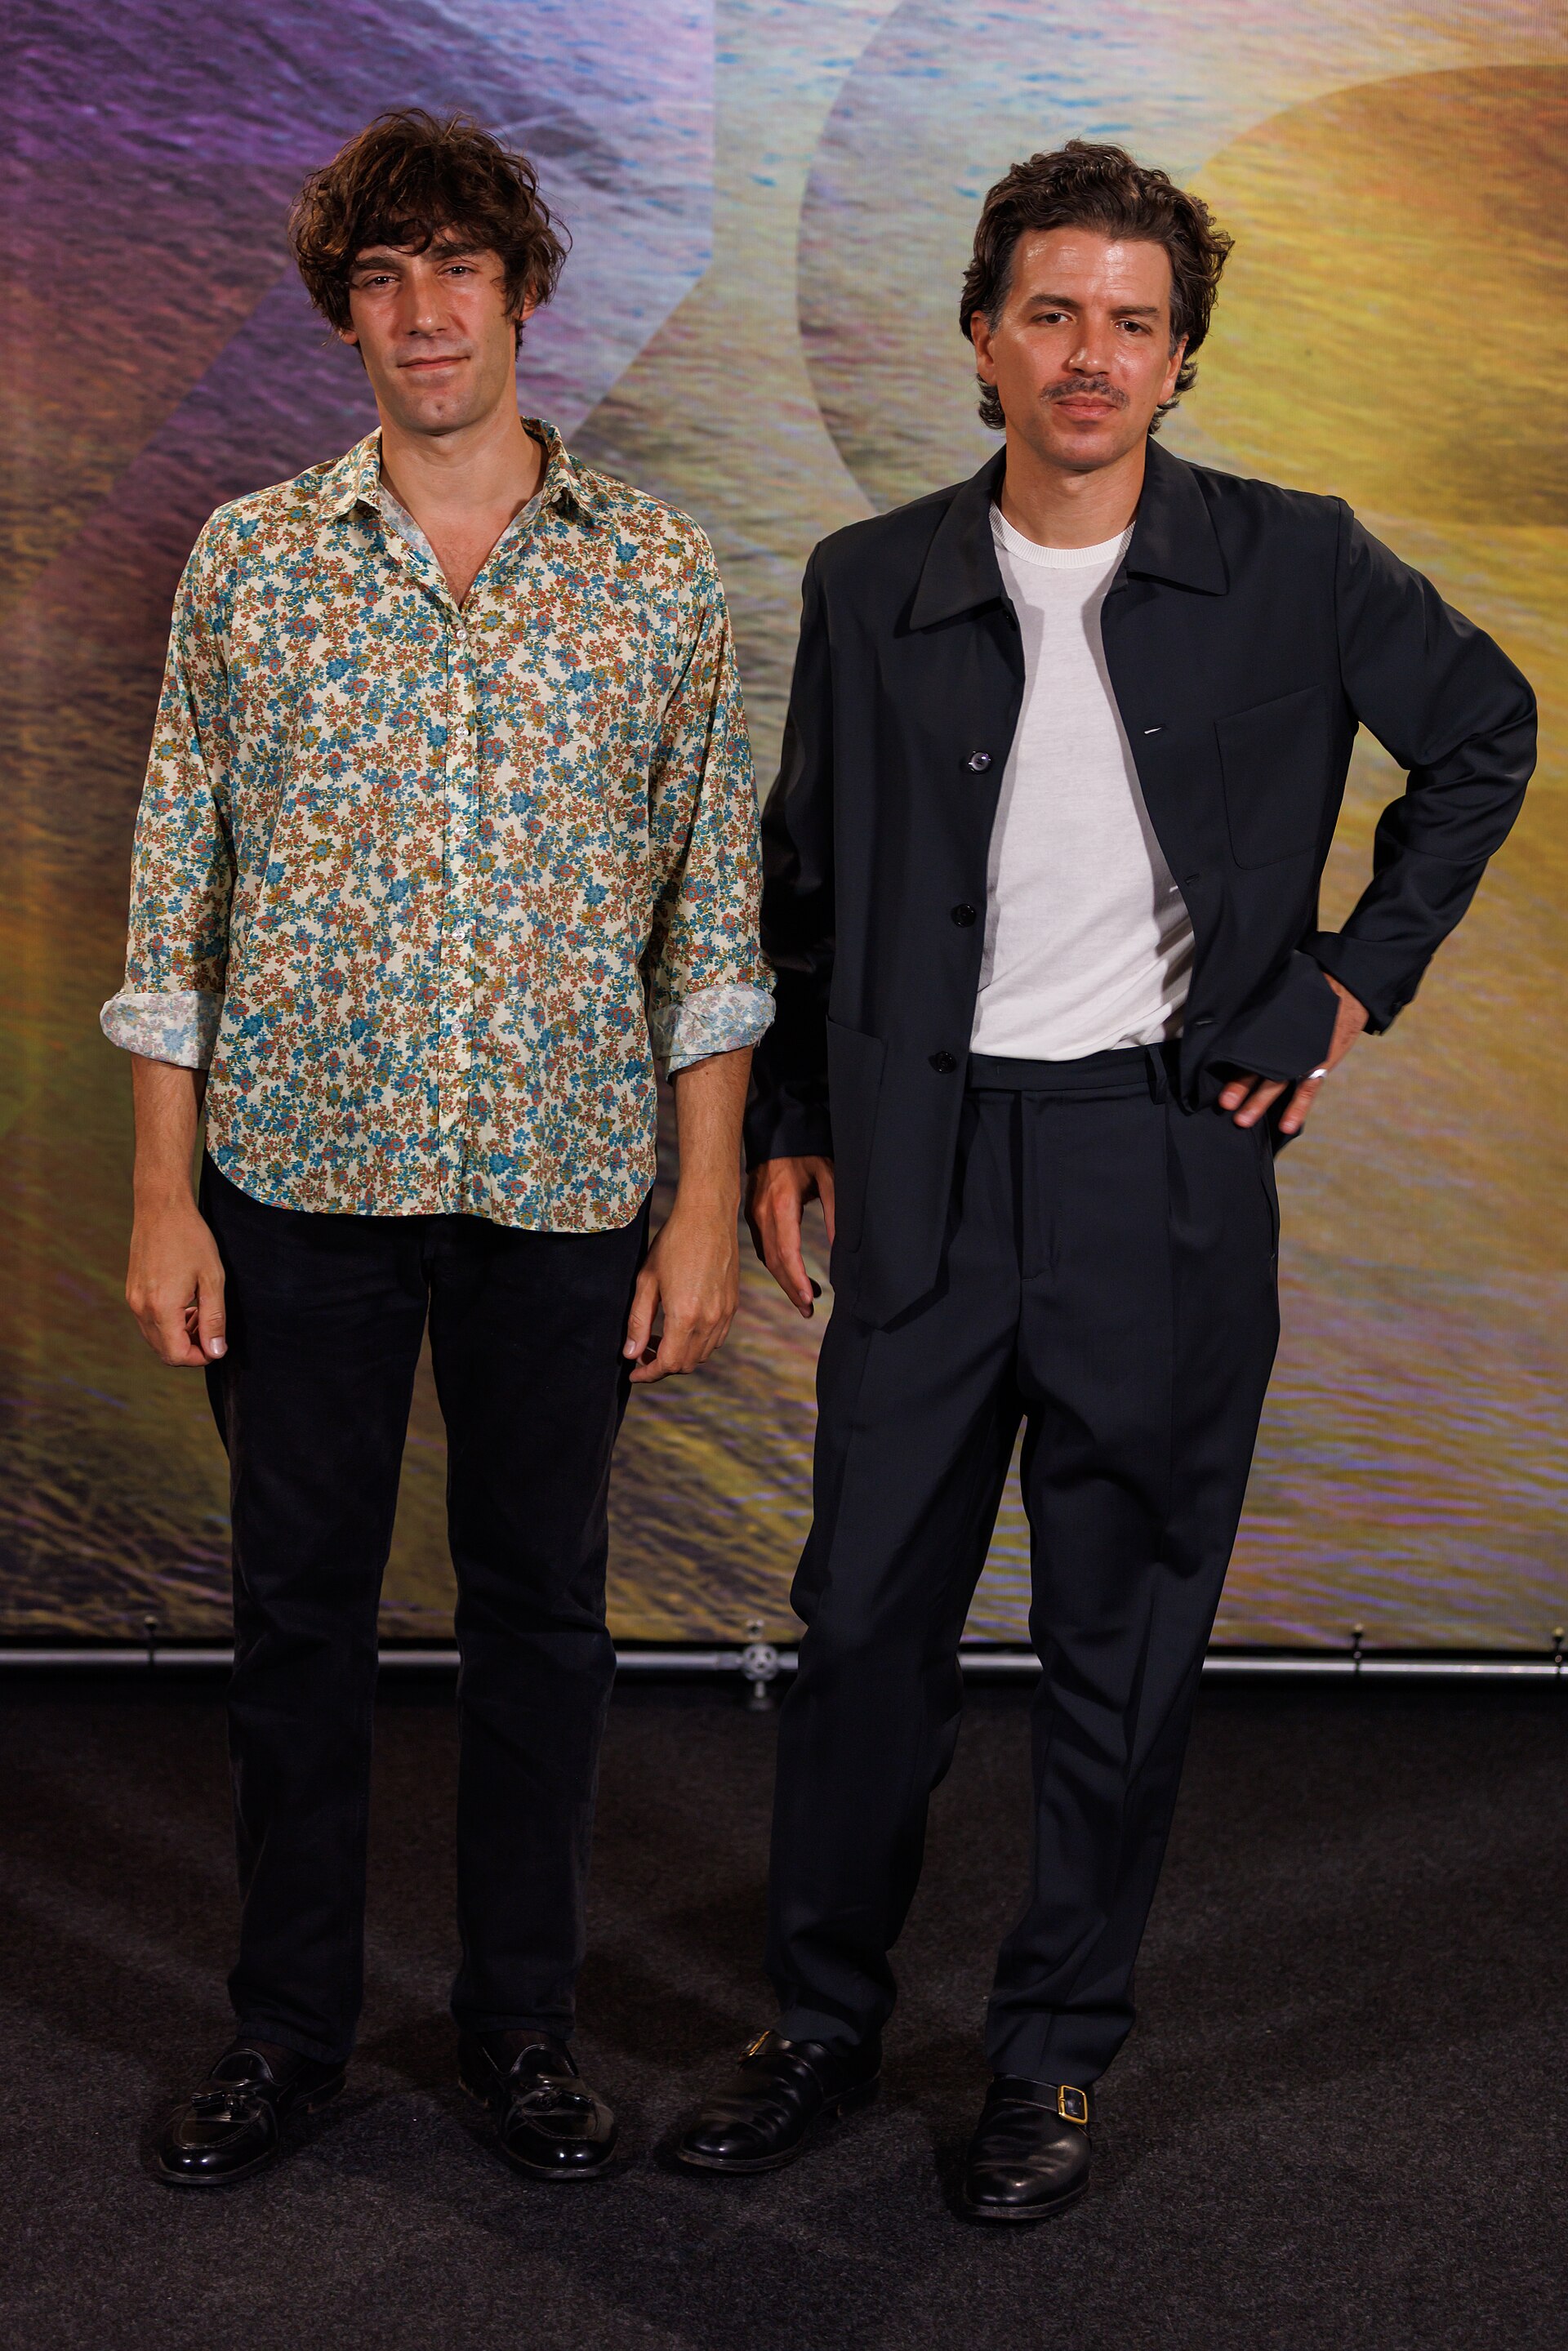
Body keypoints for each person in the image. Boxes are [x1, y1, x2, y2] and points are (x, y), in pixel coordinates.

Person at [675, 140, 1534, 2220]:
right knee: (865, 1615)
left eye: (1133, 322)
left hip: (1164, 1164)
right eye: (1051, 312)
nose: (1091, 354)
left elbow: (1485, 735)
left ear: (1181, 359)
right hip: (926, 1161)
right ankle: (816, 2023)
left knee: (1119, 1637)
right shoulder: (870, 582)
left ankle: (1052, 2062)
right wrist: (793, 1121)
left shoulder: (1299, 562)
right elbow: (804, 890)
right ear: (984, 338)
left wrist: (1342, 987)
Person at [102, 109, 771, 2189]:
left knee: (541, 1617)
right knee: (295, 1619)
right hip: (293, 1187)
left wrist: (699, 1210)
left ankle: (521, 2025)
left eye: (459, 267)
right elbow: (171, 901)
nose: (424, 312)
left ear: (523, 291)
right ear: (344, 312)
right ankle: (289, 2029)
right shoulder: (250, 558)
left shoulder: (653, 575)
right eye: (383, 277)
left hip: (566, 1200)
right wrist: (159, 1195)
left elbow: (710, 923)